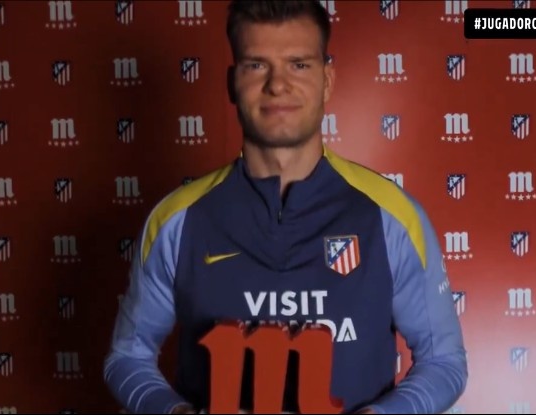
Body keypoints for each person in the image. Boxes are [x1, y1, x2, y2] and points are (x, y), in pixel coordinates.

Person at [103, 1, 467, 413]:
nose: (278, 85)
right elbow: (127, 357)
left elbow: (444, 362)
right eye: (257, 65)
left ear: (327, 81)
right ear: (232, 83)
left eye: (299, 64)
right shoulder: (176, 221)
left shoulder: (391, 218)